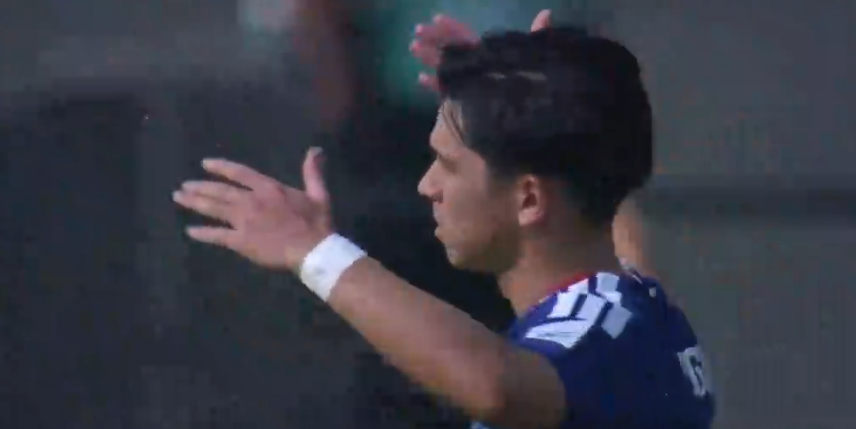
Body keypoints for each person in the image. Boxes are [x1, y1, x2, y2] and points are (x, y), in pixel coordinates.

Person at [172, 16, 715, 429]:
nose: (426, 185)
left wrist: (313, 251)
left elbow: (493, 387)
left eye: (448, 165)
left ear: (529, 198)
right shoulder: (636, 308)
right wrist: (534, 107)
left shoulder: (604, 334)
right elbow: (600, 191)